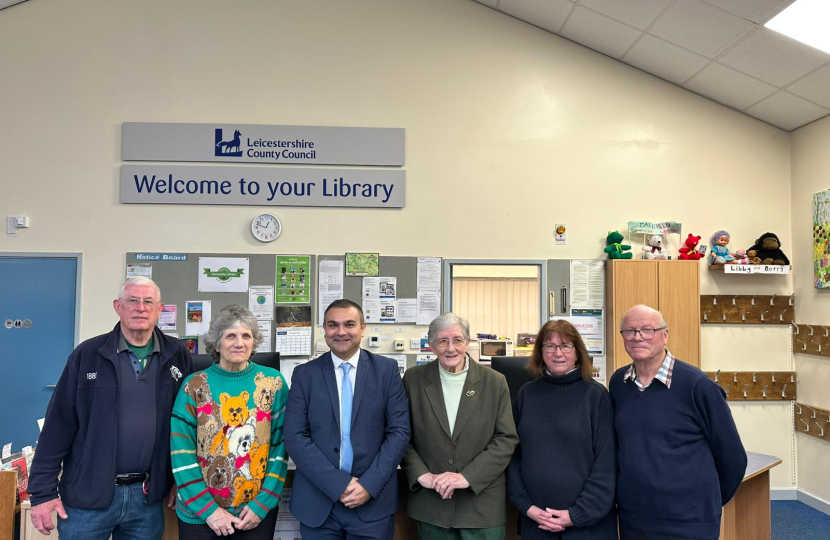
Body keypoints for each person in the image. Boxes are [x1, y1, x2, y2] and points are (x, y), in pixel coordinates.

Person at [28, 277, 194, 539]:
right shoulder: (88, 354)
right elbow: (57, 426)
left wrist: (177, 480)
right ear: (118, 306)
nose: (141, 307)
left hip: (147, 500)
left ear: (159, 308)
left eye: (148, 301)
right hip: (87, 499)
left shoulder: (178, 354)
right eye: (132, 300)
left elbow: (186, 425)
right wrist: (43, 493)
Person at [610, 305, 747, 540]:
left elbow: (733, 458)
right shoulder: (618, 384)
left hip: (689, 522)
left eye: (647, 330)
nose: (638, 337)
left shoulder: (698, 386)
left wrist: (703, 504)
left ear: (665, 335)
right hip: (635, 518)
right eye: (630, 331)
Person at [284, 299, 410, 540]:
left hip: (372, 503)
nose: (341, 332)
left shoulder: (386, 371)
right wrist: (337, 484)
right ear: (324, 329)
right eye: (333, 325)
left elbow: (399, 432)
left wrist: (369, 485)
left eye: (349, 324)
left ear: (363, 328)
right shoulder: (304, 375)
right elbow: (294, 436)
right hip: (318, 503)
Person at [171, 304, 288, 539]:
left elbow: (281, 448)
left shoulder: (272, 383)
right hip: (200, 514)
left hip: (254, 514)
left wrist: (261, 504)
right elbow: (181, 452)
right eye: (230, 336)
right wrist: (209, 511)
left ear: (254, 342)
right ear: (216, 343)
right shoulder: (194, 385)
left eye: (246, 336)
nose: (239, 342)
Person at [401, 313, 518, 539]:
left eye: (457, 340)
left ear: (468, 342)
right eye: (443, 341)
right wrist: (422, 475)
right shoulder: (413, 379)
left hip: (481, 507)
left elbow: (506, 439)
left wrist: (467, 477)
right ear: (432, 345)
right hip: (432, 505)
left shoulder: (495, 381)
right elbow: (401, 435)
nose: (450, 348)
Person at [506, 320, 616, 539]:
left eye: (565, 346)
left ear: (577, 352)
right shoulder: (526, 395)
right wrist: (526, 506)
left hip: (586, 526)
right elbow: (512, 455)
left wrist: (577, 515)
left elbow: (606, 463)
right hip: (536, 521)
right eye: (550, 346)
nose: (558, 353)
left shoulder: (595, 395)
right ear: (541, 353)